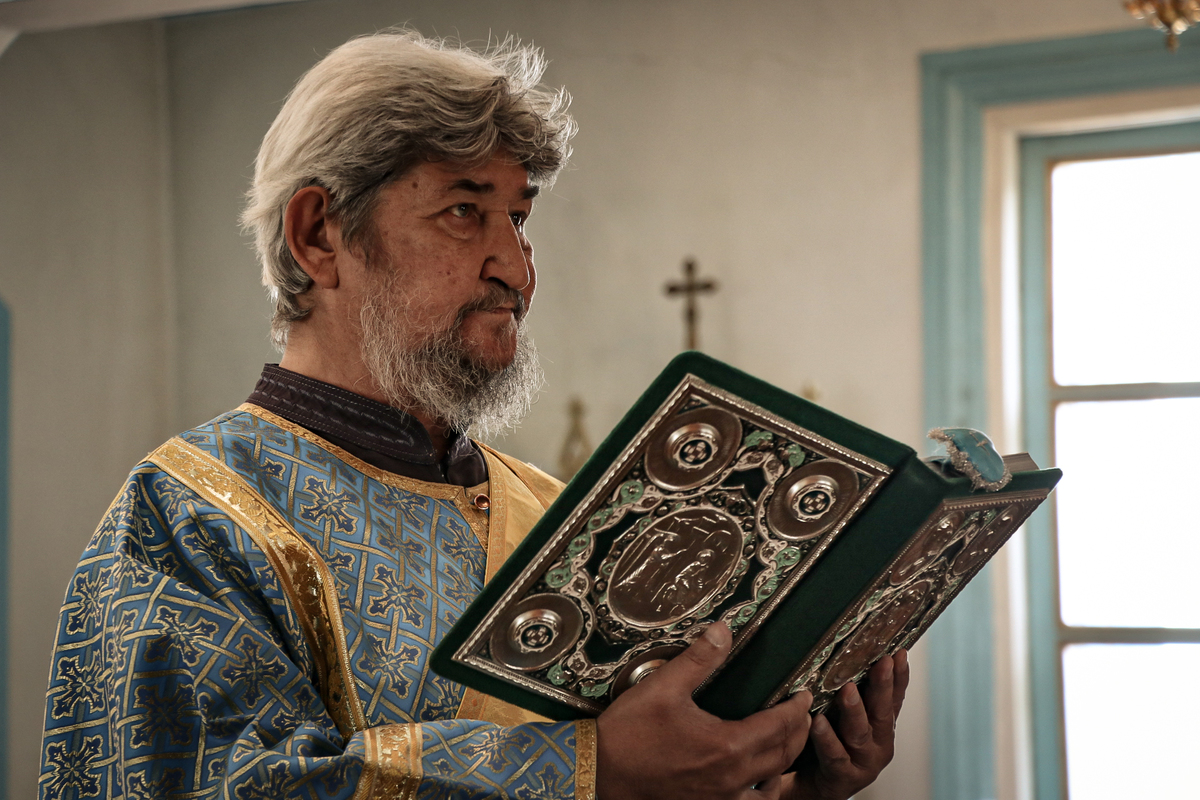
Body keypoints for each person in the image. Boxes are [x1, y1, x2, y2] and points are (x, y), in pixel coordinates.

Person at [40, 30, 908, 800]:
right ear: (317, 236)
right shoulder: (187, 516)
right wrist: (585, 773)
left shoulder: (554, 510)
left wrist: (784, 781)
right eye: (464, 212)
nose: (517, 271)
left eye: (519, 218)